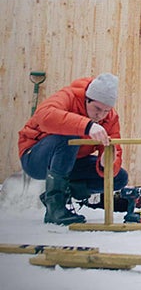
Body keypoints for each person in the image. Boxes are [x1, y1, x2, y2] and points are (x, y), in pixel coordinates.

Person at [18, 73, 129, 225]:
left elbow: (115, 150)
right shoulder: (68, 96)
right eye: (97, 108)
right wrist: (87, 126)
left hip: (71, 163)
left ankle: (56, 194)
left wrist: (106, 164)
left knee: (119, 178)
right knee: (69, 136)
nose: (100, 115)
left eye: (106, 110)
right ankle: (55, 208)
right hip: (36, 158)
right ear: (86, 99)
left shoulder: (110, 119)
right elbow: (44, 116)